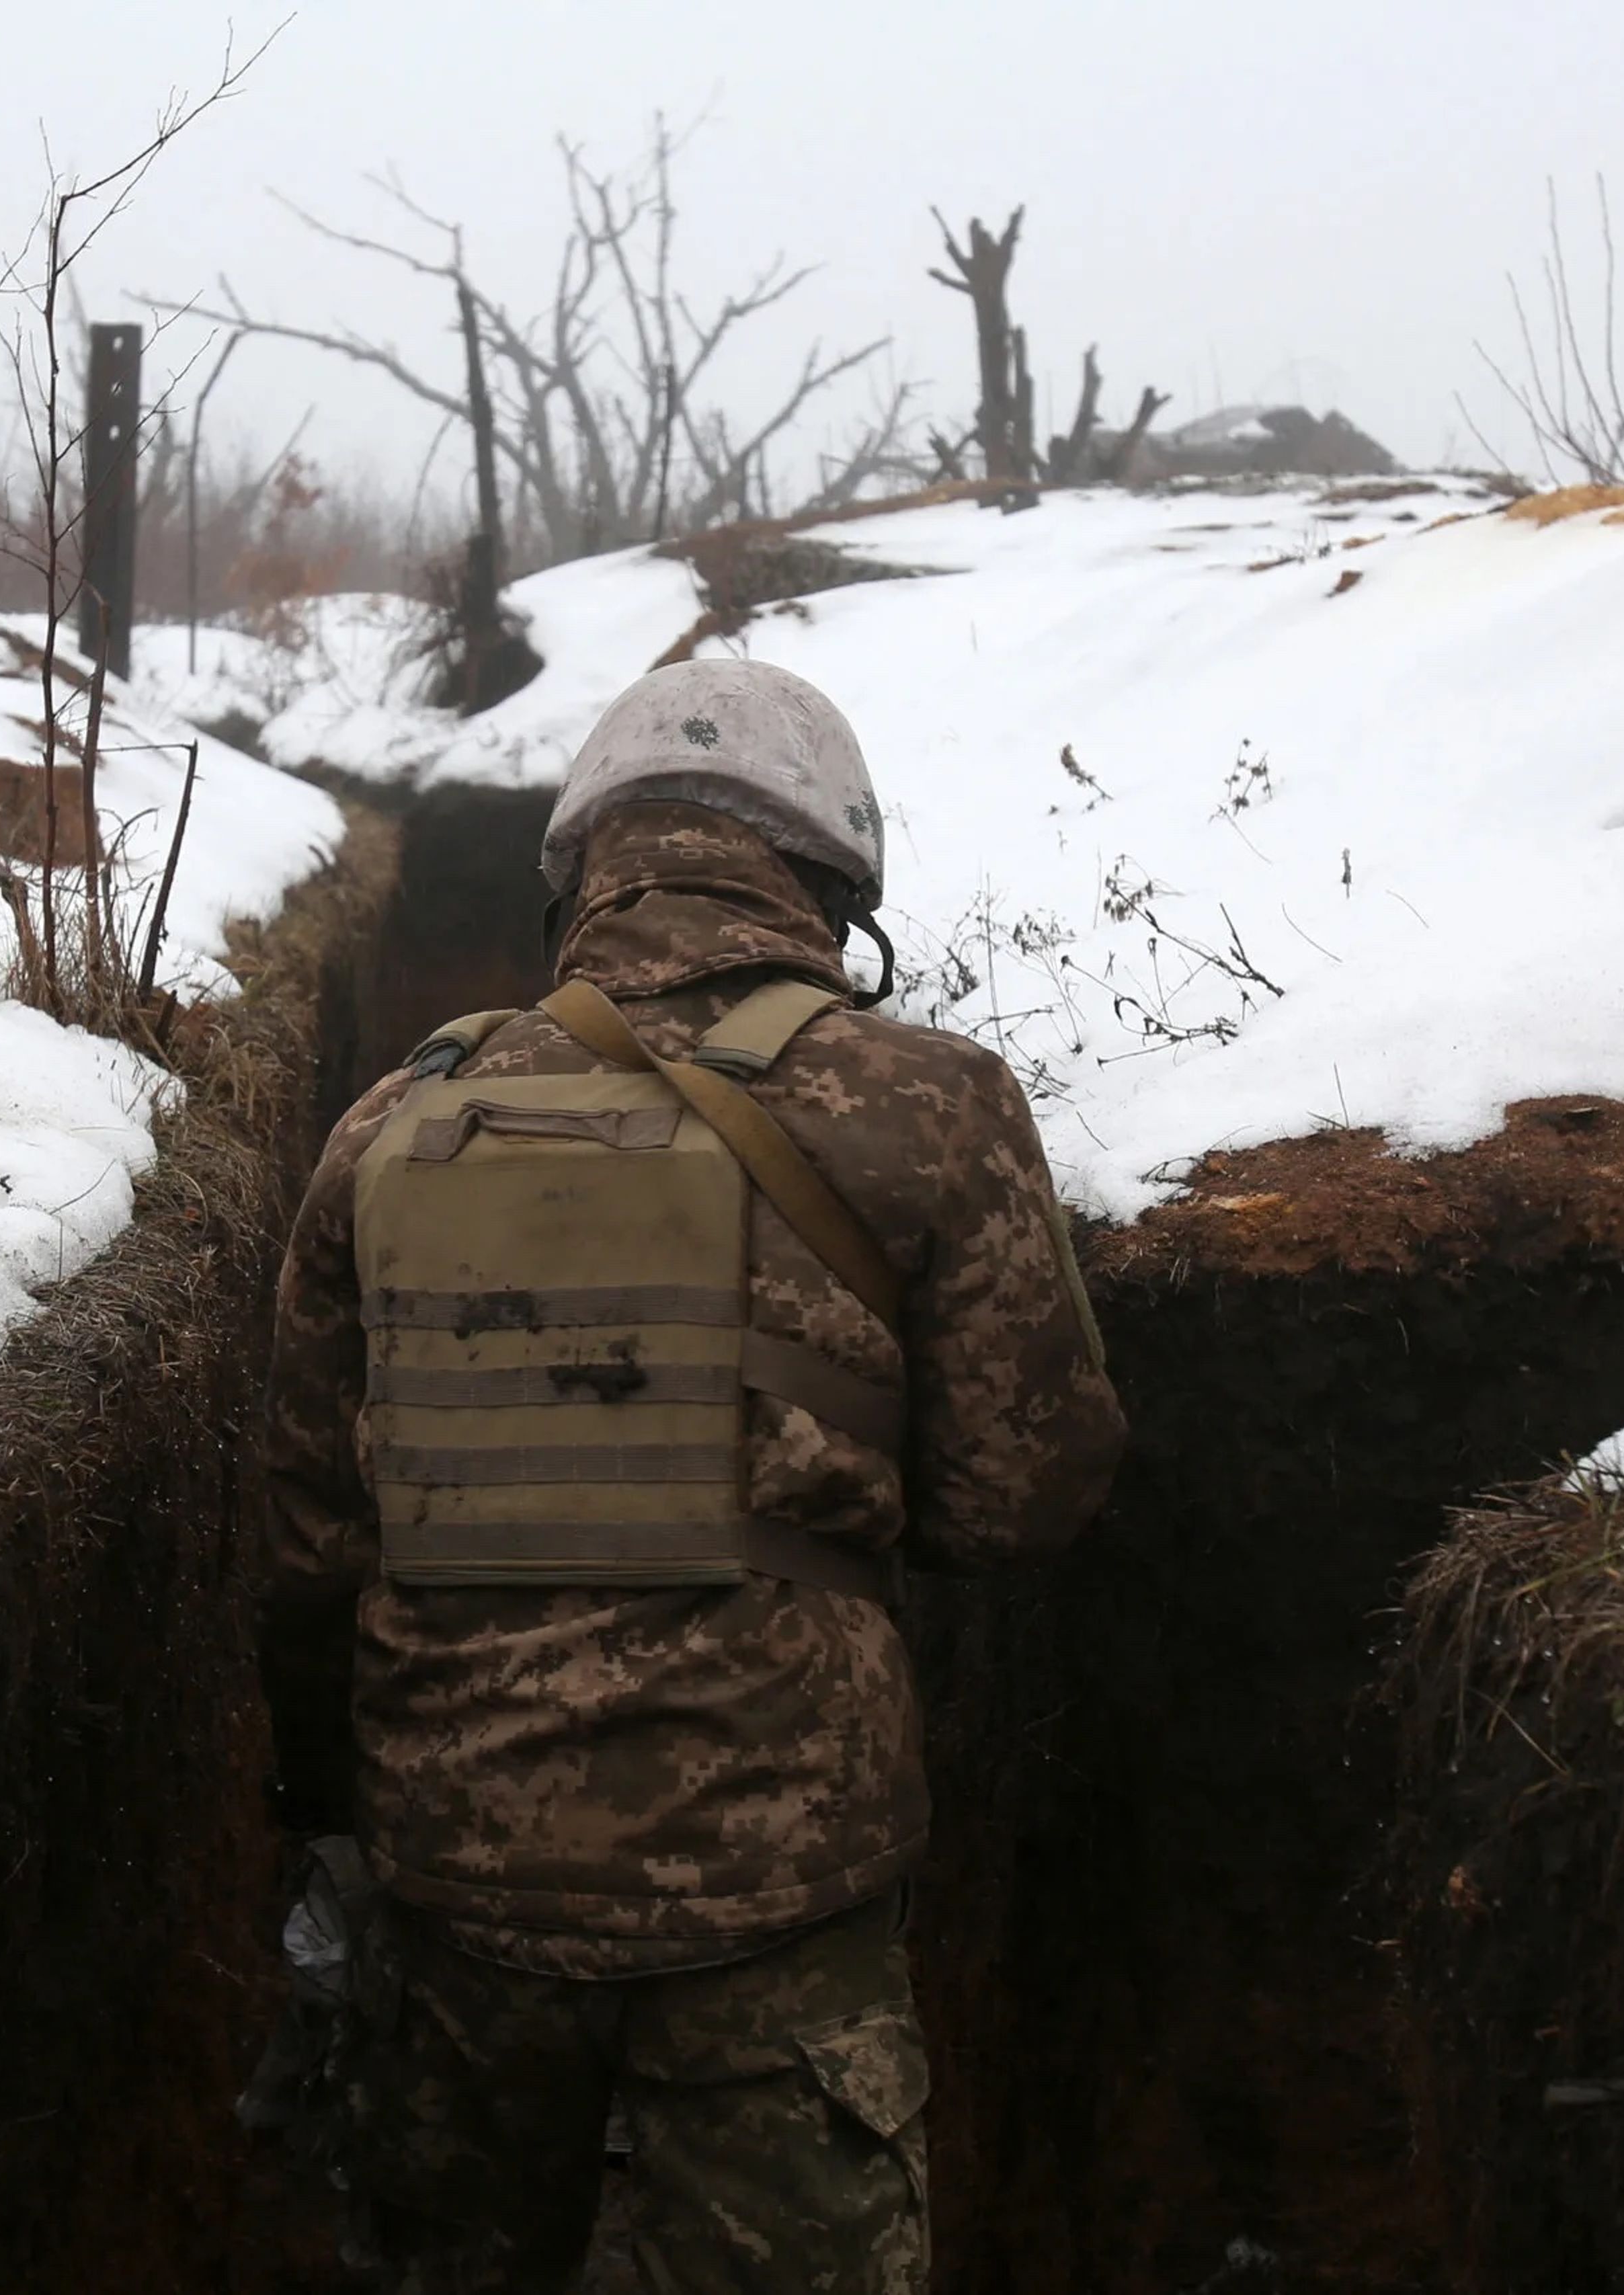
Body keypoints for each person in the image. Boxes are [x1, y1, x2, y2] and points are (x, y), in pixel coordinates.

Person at [259, 657, 1126, 2292]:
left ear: (583, 875)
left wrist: (334, 1826)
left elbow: (310, 1545)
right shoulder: (930, 1107)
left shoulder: (390, 1123)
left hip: (459, 1883)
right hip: (780, 1882)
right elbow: (1020, 1501)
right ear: (830, 887)